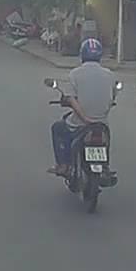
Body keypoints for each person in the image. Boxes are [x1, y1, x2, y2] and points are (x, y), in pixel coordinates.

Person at [49, 38, 118, 176]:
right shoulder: (110, 74)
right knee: (105, 137)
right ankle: (105, 166)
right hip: (101, 123)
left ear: (82, 54)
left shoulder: (75, 74)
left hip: (81, 123)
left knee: (58, 128)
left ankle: (63, 165)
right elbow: (112, 98)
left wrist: (85, 118)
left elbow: (71, 99)